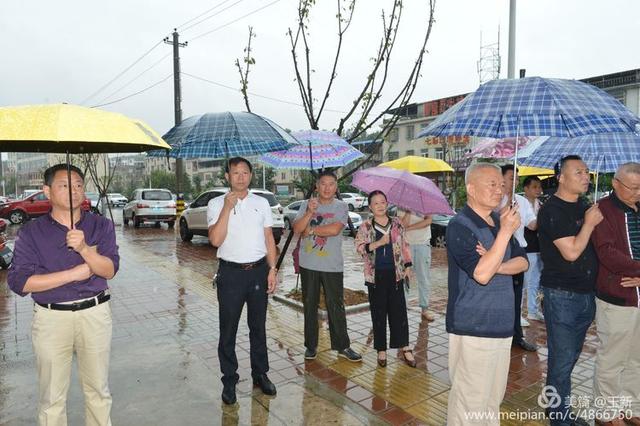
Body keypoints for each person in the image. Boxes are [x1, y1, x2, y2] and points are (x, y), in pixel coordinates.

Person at [8, 164, 120, 426]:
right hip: (51, 319)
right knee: (52, 399)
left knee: (98, 392)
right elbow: (20, 282)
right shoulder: (31, 233)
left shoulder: (100, 225)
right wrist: (72, 274)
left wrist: (84, 249)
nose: (74, 191)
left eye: (79, 185)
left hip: (95, 314)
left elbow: (110, 269)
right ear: (47, 191)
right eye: (65, 185)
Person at [445, 163, 528, 425]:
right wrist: (505, 233)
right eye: (491, 183)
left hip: (502, 324)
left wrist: (495, 264)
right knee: (470, 403)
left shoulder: (497, 221)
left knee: (492, 400)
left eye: (501, 185)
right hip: (473, 325)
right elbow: (480, 275)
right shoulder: (460, 225)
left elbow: (522, 263)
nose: (499, 189)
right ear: (471, 188)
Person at [537, 155, 602, 426]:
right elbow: (572, 252)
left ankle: (558, 410)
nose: (586, 177)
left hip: (587, 294)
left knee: (571, 358)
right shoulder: (552, 210)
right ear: (561, 178)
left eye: (587, 172)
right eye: (578, 172)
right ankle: (559, 419)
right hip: (561, 295)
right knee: (561, 362)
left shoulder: (585, 205)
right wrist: (588, 223)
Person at [207, 157, 278, 405]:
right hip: (230, 275)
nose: (240, 176)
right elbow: (215, 240)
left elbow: (269, 238)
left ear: (250, 176)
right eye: (235, 172)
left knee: (258, 327)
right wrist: (228, 207)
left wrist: (273, 269)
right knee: (228, 330)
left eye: (245, 172)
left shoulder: (262, 203)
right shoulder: (216, 203)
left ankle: (260, 374)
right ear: (227, 176)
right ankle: (229, 379)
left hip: (258, 271)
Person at [292, 170, 362, 362]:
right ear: (317, 186)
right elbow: (298, 229)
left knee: (335, 305)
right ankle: (310, 346)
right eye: (323, 183)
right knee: (310, 305)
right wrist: (309, 212)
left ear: (336, 187)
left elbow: (335, 229)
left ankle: (343, 346)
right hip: (309, 264)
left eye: (331, 184)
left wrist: (312, 229)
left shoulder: (341, 206)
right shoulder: (307, 204)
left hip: (332, 265)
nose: (327, 188)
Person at [591, 162, 640, 426]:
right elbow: (607, 253)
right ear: (616, 184)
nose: (637, 193)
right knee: (612, 358)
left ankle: (632, 406)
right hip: (617, 295)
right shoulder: (602, 210)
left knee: (636, 357)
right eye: (632, 188)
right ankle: (605, 413)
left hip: (639, 294)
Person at [355, 191, 415, 368]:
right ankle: (381, 349)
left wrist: (409, 265)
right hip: (375, 276)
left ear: (387, 204)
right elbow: (359, 247)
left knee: (399, 311)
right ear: (370, 207)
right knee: (379, 313)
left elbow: (404, 245)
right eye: (376, 203)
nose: (380, 206)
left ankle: (404, 346)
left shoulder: (396, 223)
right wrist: (378, 243)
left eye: (383, 202)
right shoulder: (366, 226)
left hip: (396, 274)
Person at [499, 165, 538, 352]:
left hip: (518, 253)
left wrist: (545, 216)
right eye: (510, 177)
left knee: (516, 297)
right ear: (501, 179)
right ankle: (499, 333)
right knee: (499, 297)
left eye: (516, 177)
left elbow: (532, 224)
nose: (514, 181)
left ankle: (517, 336)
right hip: (499, 254)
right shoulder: (495, 199)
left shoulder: (522, 201)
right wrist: (506, 204)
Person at [399, 208, 435, 322]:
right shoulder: (401, 205)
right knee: (404, 278)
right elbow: (402, 225)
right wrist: (409, 211)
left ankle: (425, 309)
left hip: (423, 244)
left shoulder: (425, 203)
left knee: (423, 278)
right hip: (406, 246)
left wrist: (409, 228)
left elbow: (428, 221)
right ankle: (402, 309)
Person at [522, 176, 544, 321]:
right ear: (526, 188)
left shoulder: (541, 205)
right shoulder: (520, 204)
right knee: (525, 281)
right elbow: (532, 225)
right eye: (534, 187)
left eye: (539, 187)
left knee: (536, 281)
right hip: (526, 248)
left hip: (540, 247)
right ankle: (518, 315)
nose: (538, 190)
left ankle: (533, 310)